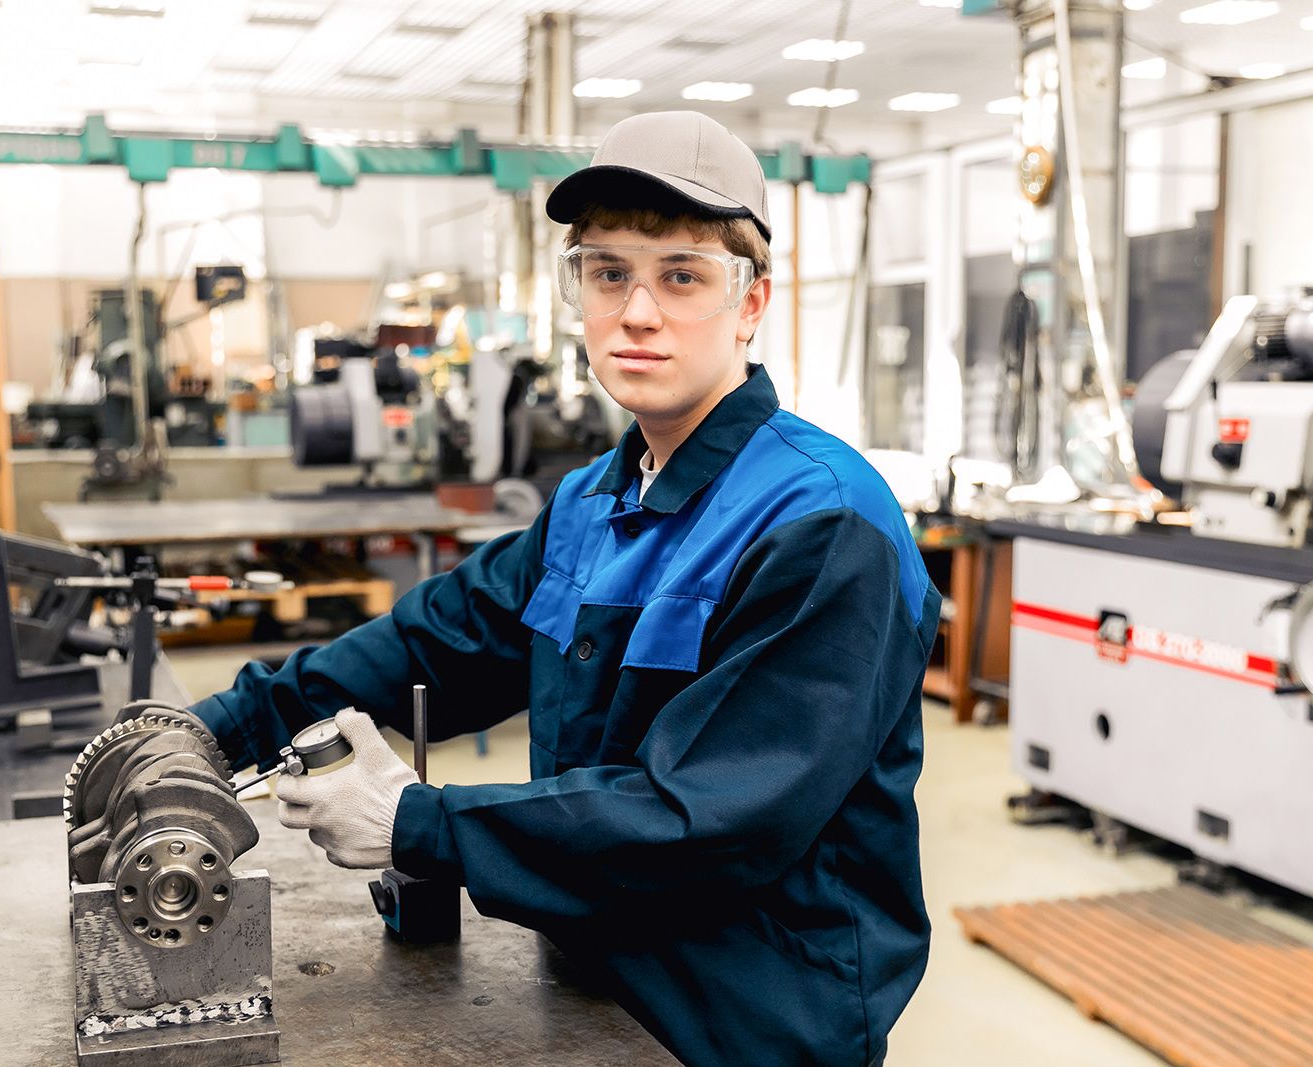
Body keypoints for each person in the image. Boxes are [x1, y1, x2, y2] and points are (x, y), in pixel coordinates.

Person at [188, 111, 940, 1067]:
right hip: (599, 967)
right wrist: (217, 730)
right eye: (608, 271)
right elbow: (439, 641)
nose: (636, 311)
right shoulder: (595, 499)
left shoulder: (822, 525)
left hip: (753, 1008)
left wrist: (419, 824)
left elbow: (707, 820)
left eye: (682, 276)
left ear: (749, 305)